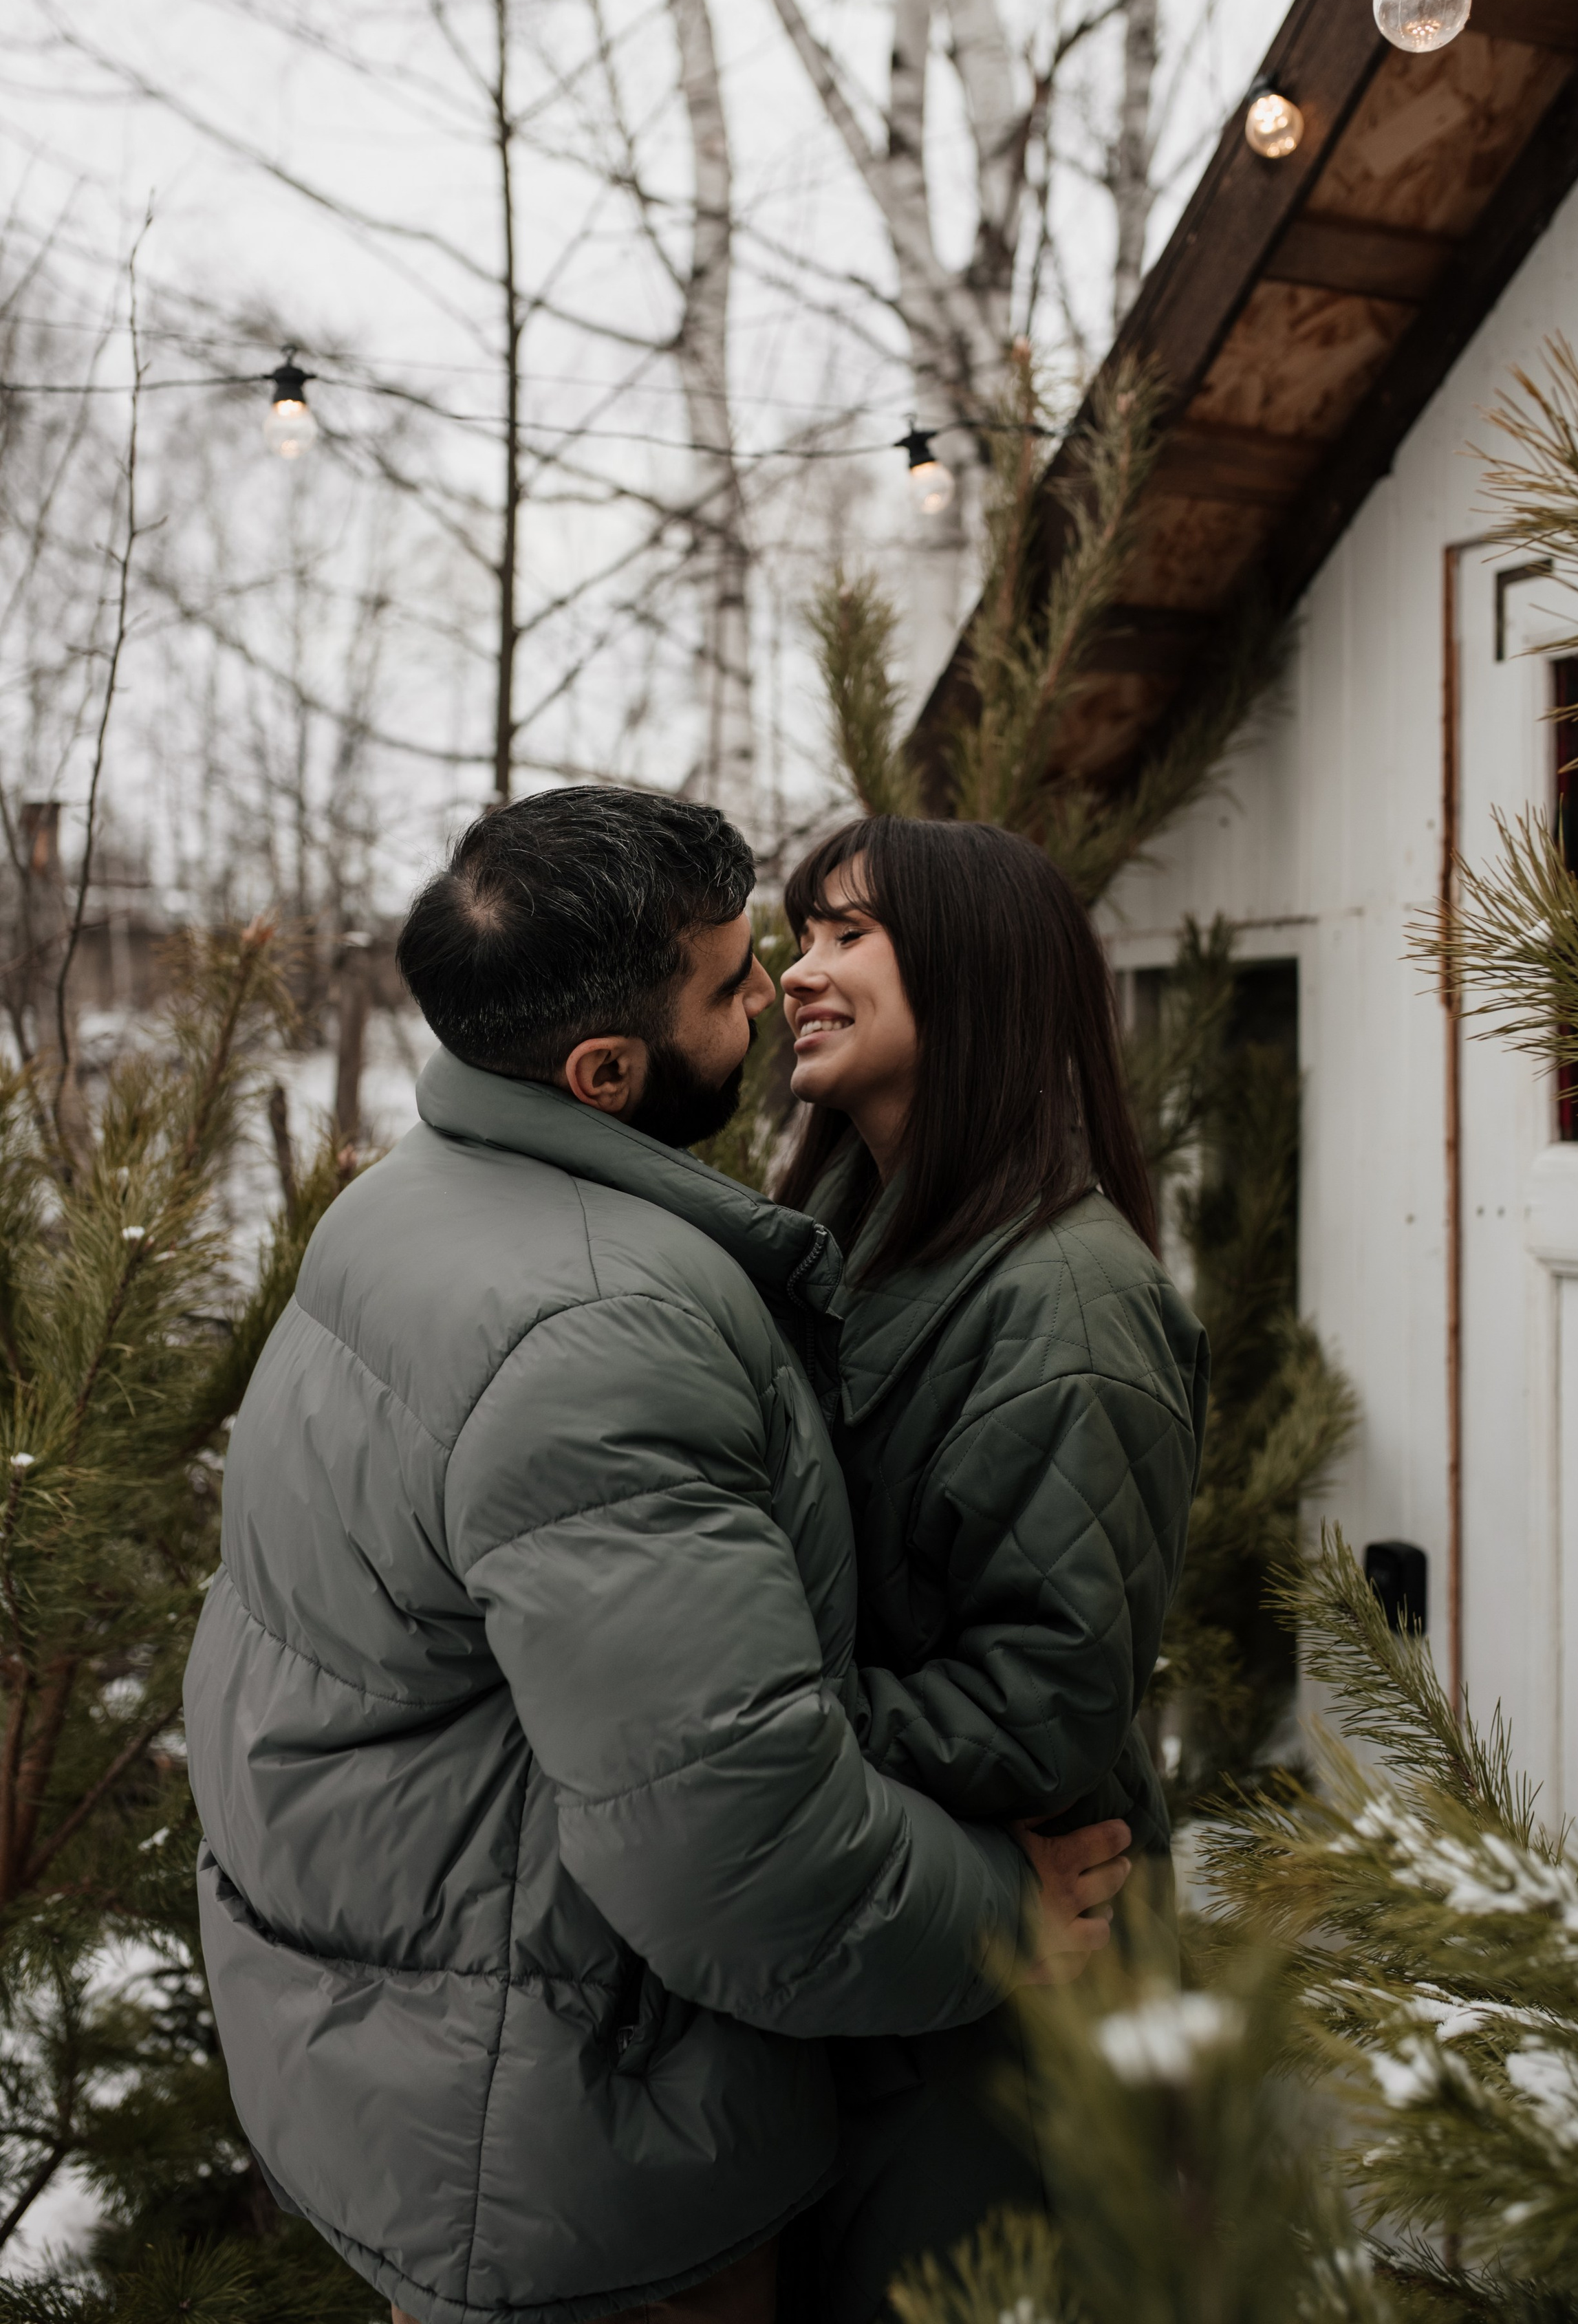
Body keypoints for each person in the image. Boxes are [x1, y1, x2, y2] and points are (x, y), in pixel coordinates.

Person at [181, 787, 1132, 2324]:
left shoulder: (415, 1204)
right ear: (605, 1069)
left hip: (402, 2047)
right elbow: (729, 1837)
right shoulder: (598, 1324)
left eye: (819, 940)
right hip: (559, 2123)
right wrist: (1008, 1920)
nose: (773, 988)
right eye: (731, 977)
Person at [772, 813, 1208, 2324]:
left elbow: (1043, 1699)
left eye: (844, 934)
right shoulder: (834, 1240)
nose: (795, 972)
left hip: (1015, 2003)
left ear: (969, 975)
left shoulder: (1066, 1308)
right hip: (897, 1958)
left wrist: (756, 1727)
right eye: (799, 934)